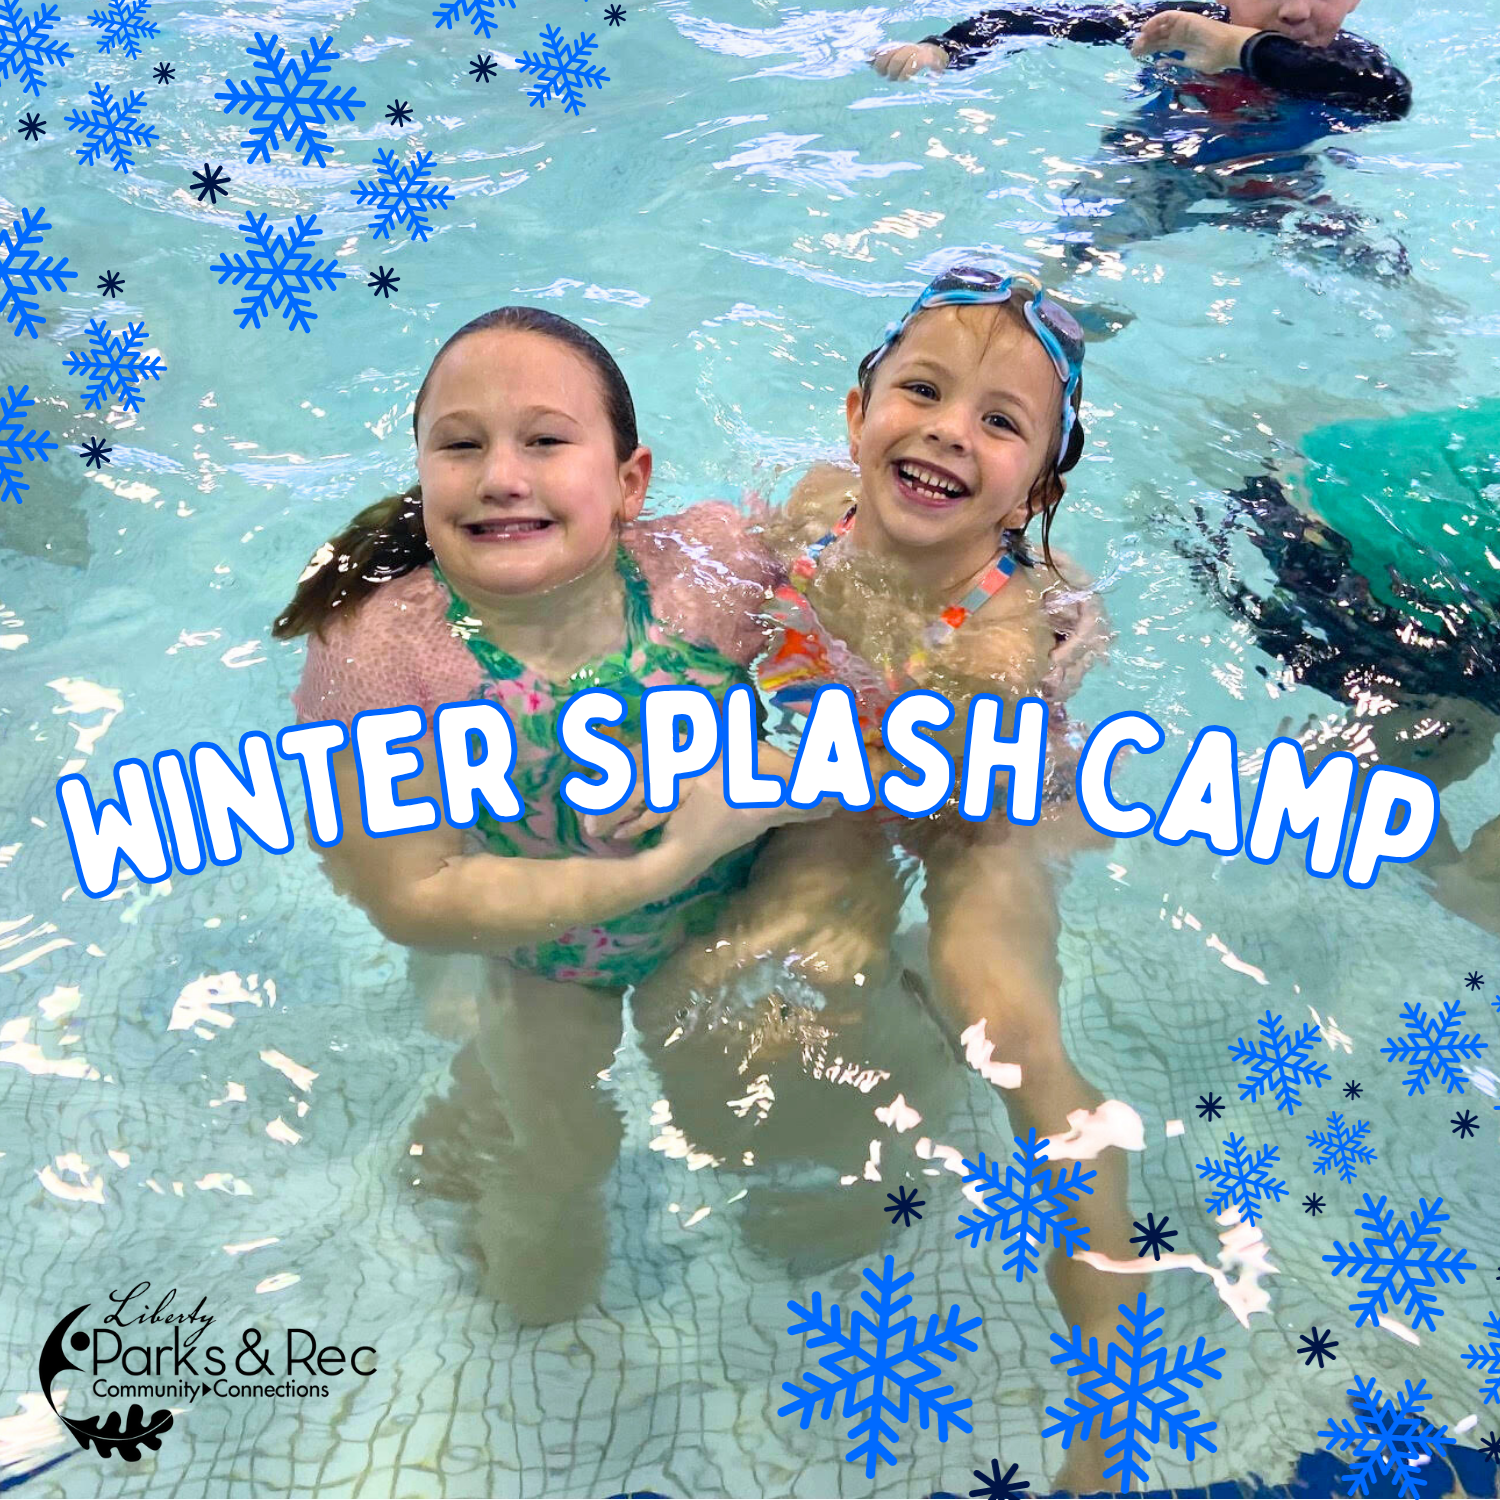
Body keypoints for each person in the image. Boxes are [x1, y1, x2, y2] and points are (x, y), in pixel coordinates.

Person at [593, 265, 1134, 1494]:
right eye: (925, 392)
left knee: (1002, 1014)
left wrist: (718, 799)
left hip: (979, 805)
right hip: (833, 760)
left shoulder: (1006, 632)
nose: (952, 428)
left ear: (1035, 489)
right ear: (857, 413)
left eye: (1001, 422)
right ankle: (841, 1053)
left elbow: (916, 760)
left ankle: (1107, 1425)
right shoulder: (815, 505)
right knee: (757, 951)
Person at [273, 305, 830, 1324]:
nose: (500, 475)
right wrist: (666, 863)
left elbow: (863, 551)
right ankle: (538, 1356)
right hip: (543, 955)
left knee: (772, 1096)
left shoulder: (709, 569)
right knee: (562, 1150)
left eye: (544, 439)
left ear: (629, 481)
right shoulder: (382, 653)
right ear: (424, 470)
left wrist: (1043, 610)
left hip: (717, 926)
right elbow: (409, 896)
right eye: (461, 444)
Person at [1178, 400, 1500, 935]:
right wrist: (1454, 882)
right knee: (1461, 731)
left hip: (1327, 460)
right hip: (1318, 528)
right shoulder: (1465, 709)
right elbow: (1325, 775)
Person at [871, 2, 1413, 282]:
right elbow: (1038, 21)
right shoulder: (1177, 25)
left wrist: (1240, 46)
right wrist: (943, 47)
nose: (1295, 9)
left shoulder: (1353, 63)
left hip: (1279, 182)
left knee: (1377, 265)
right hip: (1161, 162)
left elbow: (1389, 100)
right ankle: (1046, 310)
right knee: (1077, 246)